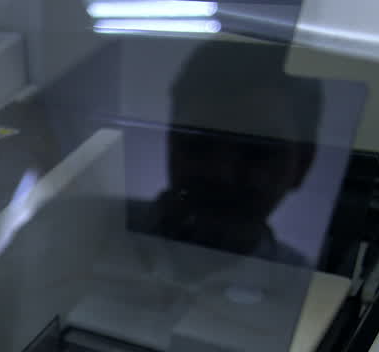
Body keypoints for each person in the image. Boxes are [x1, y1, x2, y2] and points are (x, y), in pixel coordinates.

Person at [130, 40, 324, 266]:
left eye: (258, 152)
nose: (221, 173)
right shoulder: (87, 221)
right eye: (200, 143)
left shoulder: (94, 225)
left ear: (303, 165)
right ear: (170, 140)